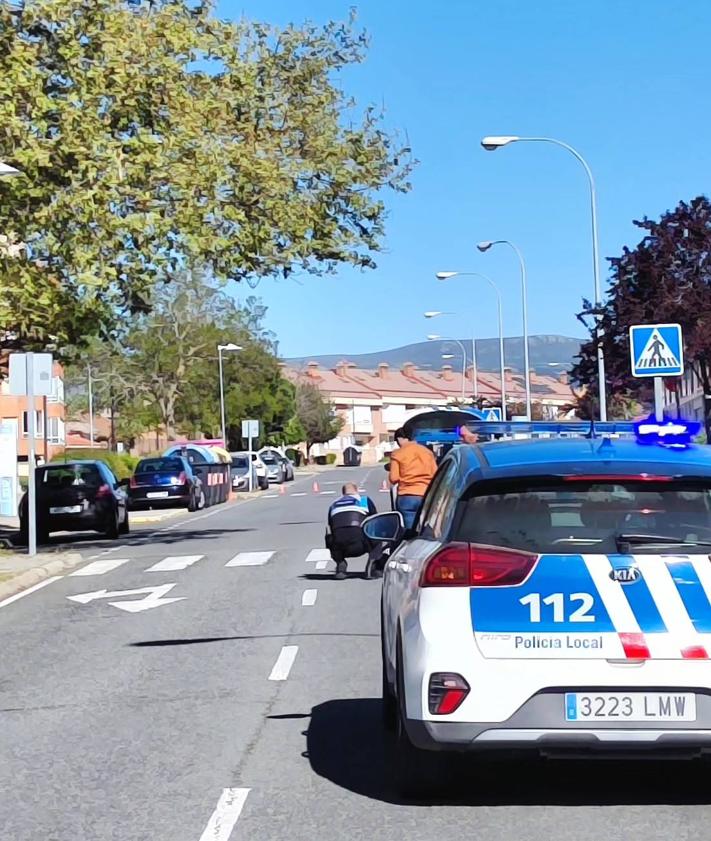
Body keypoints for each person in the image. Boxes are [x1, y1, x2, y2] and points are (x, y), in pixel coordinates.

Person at [388, 427, 438, 530]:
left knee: (409, 532)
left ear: (400, 438)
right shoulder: (427, 453)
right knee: (427, 528)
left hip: (407, 495)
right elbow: (436, 474)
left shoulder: (398, 454)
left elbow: (393, 478)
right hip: (426, 494)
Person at [325, 482, 377, 580]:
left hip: (340, 546)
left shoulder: (334, 504)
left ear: (343, 493)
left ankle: (340, 565)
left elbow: (331, 526)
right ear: (356, 491)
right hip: (361, 544)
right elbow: (375, 519)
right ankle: (372, 565)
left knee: (330, 536)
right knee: (379, 534)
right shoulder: (364, 500)